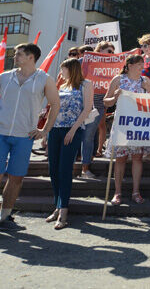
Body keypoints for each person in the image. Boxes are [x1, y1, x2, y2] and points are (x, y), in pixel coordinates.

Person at [0, 43, 61, 244]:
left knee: (16, 179)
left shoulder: (44, 79)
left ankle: (5, 218)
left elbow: (55, 104)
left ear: (31, 57)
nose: (15, 57)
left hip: (24, 137)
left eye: (19, 54)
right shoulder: (5, 76)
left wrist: (45, 130)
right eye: (16, 54)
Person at [46, 58, 93, 229]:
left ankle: (64, 210)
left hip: (72, 130)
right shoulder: (62, 86)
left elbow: (87, 108)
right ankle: (57, 206)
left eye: (63, 69)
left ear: (71, 69)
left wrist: (73, 130)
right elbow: (54, 108)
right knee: (53, 169)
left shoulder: (86, 85)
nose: (61, 73)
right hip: (55, 129)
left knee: (64, 169)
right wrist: (46, 131)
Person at [103, 54, 150, 206]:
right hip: (122, 124)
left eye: (142, 64)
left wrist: (148, 91)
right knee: (120, 158)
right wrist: (115, 98)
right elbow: (106, 101)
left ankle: (135, 192)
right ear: (130, 65)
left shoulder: (145, 81)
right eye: (139, 64)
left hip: (139, 123)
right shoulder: (118, 80)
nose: (141, 67)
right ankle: (117, 192)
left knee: (137, 157)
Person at [78, 41, 116, 180]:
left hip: (99, 105)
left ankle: (88, 163)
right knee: (88, 136)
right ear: (100, 50)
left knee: (91, 135)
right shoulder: (84, 61)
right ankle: (85, 168)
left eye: (113, 52)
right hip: (83, 104)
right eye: (109, 51)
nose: (111, 54)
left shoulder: (112, 66)